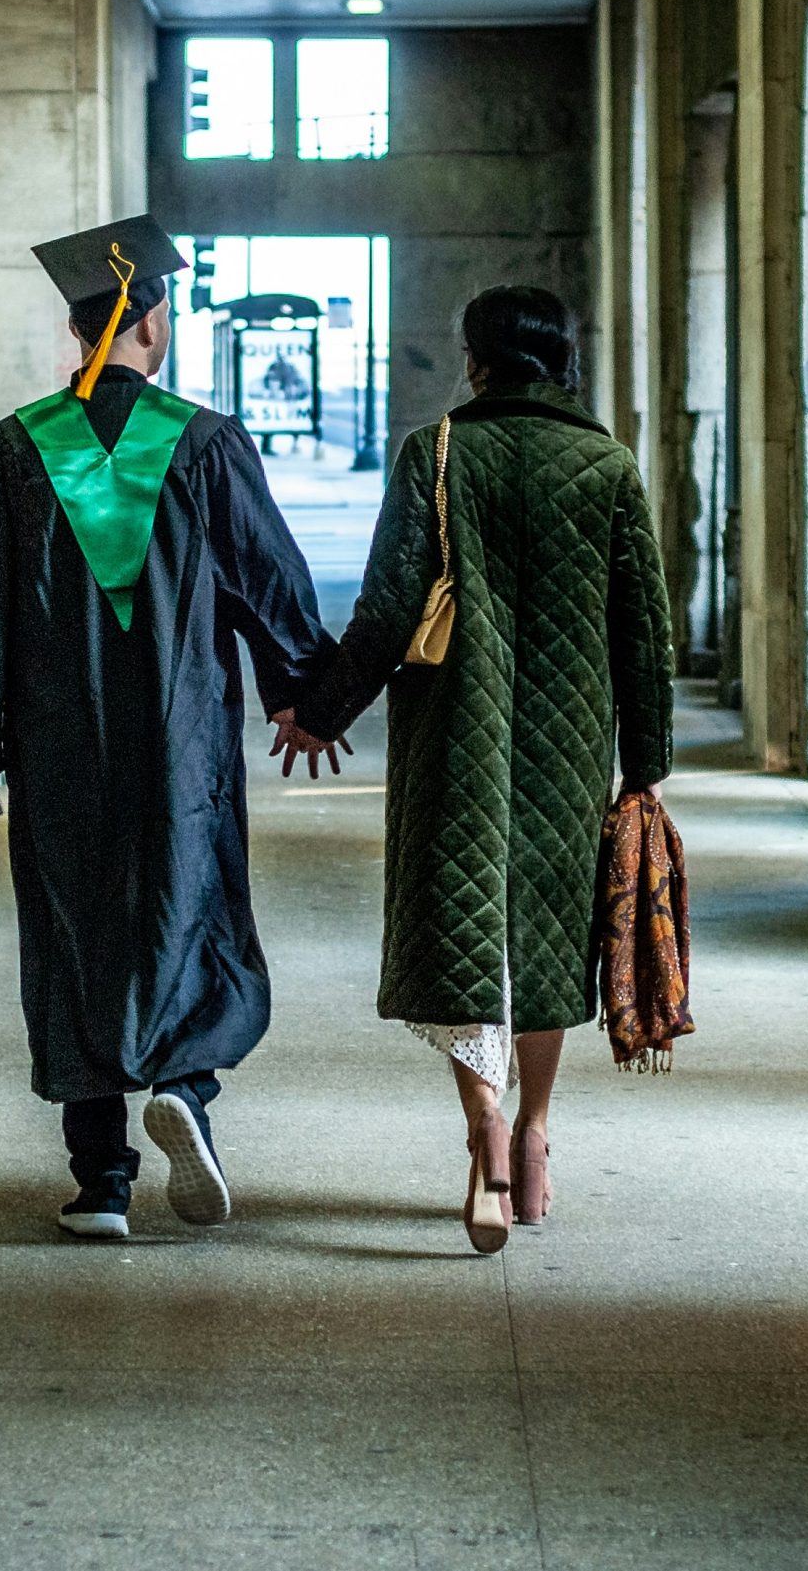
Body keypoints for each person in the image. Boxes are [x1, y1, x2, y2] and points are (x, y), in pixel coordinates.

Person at [0, 215, 334, 1242]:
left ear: (77, 322)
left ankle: (99, 1180)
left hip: (58, 741)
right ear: (152, 318)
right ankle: (185, 1088)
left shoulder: (18, 448)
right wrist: (303, 698)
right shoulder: (201, 443)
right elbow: (266, 581)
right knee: (185, 906)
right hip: (179, 733)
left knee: (74, 930)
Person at [286, 284, 674, 1254]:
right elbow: (645, 635)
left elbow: (384, 613)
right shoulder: (608, 467)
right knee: (546, 943)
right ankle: (535, 1142)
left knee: (467, 937)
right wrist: (647, 767)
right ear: (563, 358)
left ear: (475, 360)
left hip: (456, 738)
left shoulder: (436, 454)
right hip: (571, 749)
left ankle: (483, 1134)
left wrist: (320, 712)